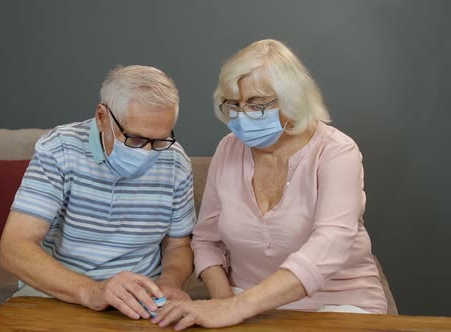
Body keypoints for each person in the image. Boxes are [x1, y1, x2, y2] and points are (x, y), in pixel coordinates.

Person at [151, 39, 387, 330]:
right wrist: (224, 303)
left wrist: (236, 308)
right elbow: (206, 241)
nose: (241, 116)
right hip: (245, 304)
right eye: (234, 105)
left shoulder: (337, 152)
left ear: (293, 100)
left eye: (255, 105)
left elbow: (330, 246)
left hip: (339, 304)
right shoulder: (228, 149)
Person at [0, 65, 196, 320]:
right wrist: (93, 291)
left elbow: (178, 244)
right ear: (102, 117)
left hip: (143, 298)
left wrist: (170, 284)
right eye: (136, 139)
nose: (148, 152)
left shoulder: (176, 161)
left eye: (159, 141)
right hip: (60, 292)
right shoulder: (59, 149)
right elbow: (14, 247)